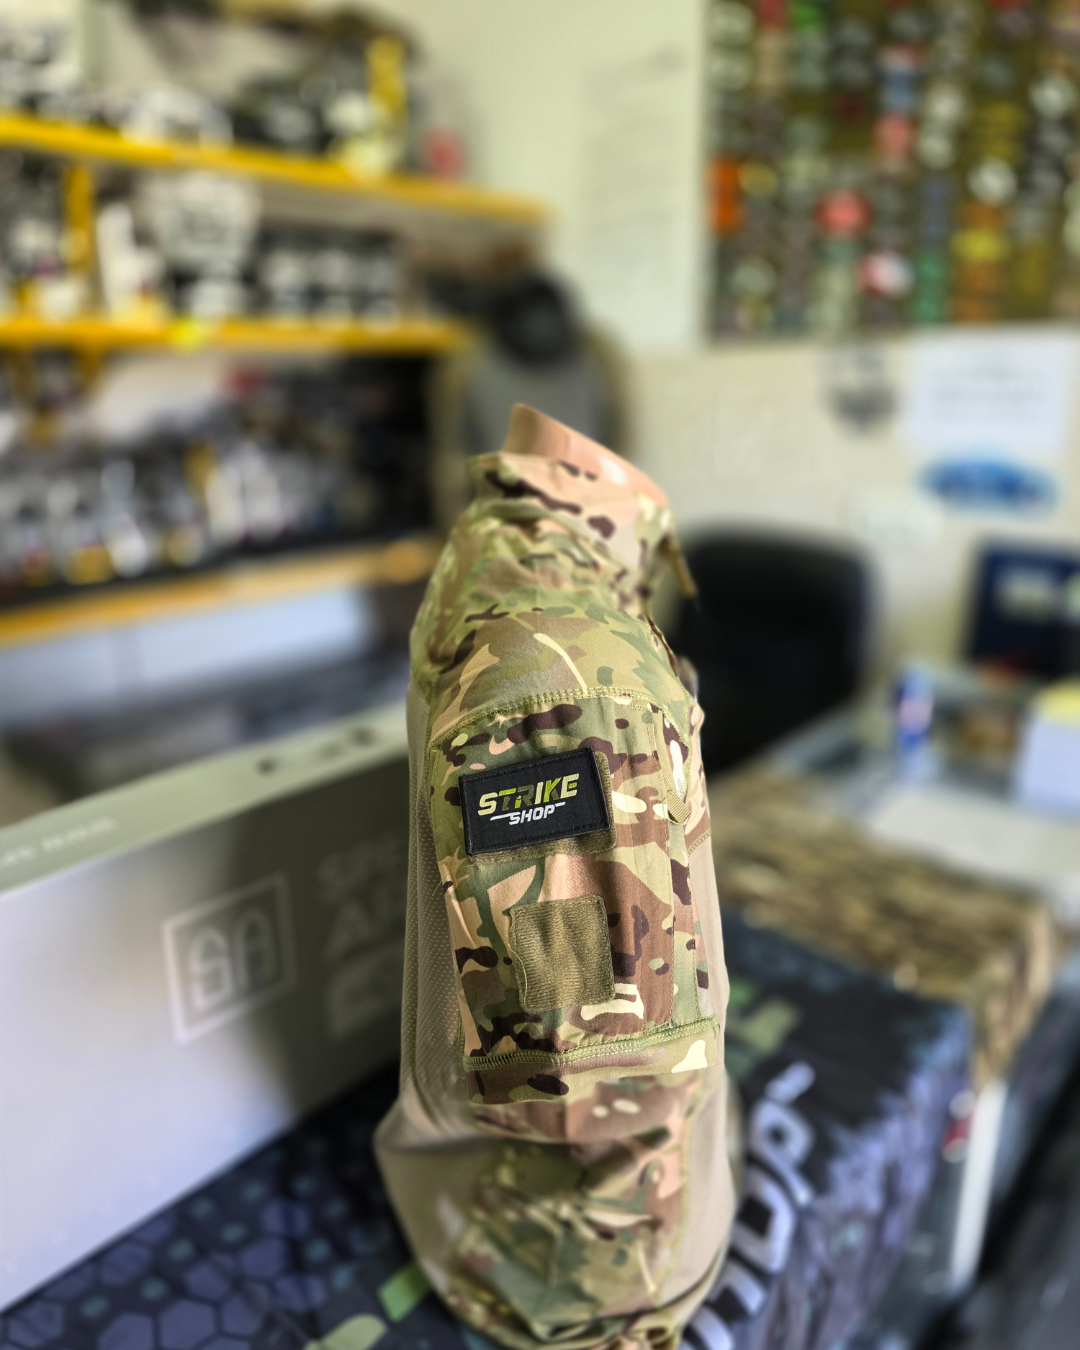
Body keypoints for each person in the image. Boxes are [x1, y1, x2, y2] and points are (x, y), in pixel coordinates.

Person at [375, 404, 734, 1350]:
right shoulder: (565, 671)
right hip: (589, 1269)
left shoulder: (508, 561)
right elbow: (587, 1068)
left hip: (559, 1227)